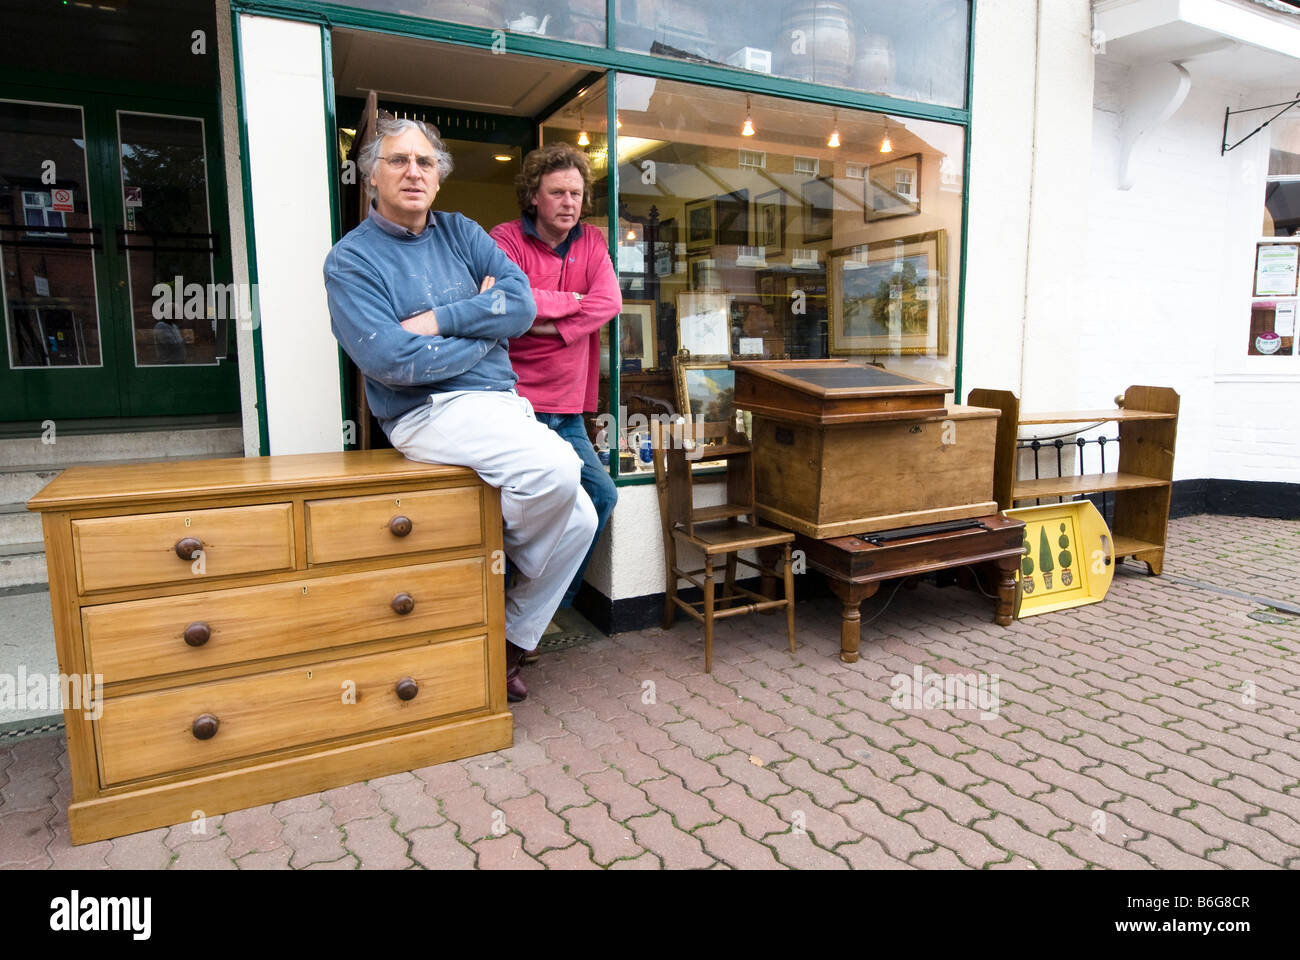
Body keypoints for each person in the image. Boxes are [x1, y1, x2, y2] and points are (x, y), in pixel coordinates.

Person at [323, 118, 596, 703]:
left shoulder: (461, 232)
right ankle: (496, 578)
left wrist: (439, 322)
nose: (413, 172)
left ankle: (507, 645)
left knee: (584, 519)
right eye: (397, 161)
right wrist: (483, 328)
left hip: (500, 404)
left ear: (440, 177)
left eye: (424, 162)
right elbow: (391, 361)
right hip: (427, 410)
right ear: (371, 175)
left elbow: (519, 307)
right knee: (556, 472)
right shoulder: (352, 261)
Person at [490, 144, 621, 626]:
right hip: (517, 405)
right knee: (515, 516)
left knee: (601, 496)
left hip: (567, 409)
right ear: (533, 197)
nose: (569, 202)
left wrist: (546, 321)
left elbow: (607, 304)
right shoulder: (505, 239)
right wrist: (571, 303)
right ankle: (499, 612)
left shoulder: (592, 242)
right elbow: (504, 301)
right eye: (557, 192)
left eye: (576, 193)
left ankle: (537, 612)